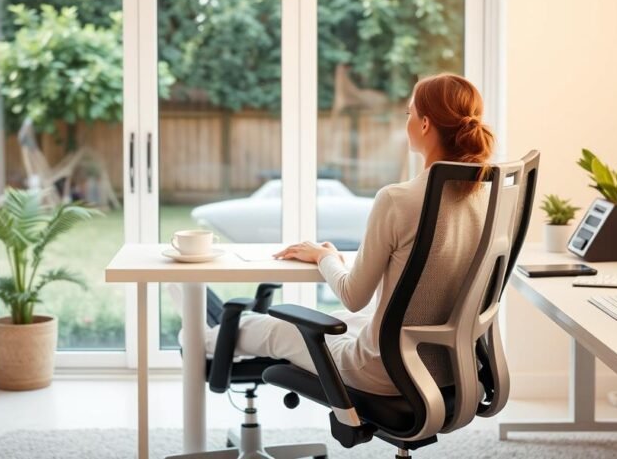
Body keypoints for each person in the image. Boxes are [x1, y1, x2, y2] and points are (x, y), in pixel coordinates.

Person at [203, 73, 496, 395]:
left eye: (409, 114)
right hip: (453, 367)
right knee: (338, 320)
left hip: (384, 370)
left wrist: (325, 257)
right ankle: (215, 326)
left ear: (425, 124)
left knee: (268, 328)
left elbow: (354, 296)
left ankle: (201, 336)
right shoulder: (488, 198)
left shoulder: (398, 199)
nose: (407, 121)